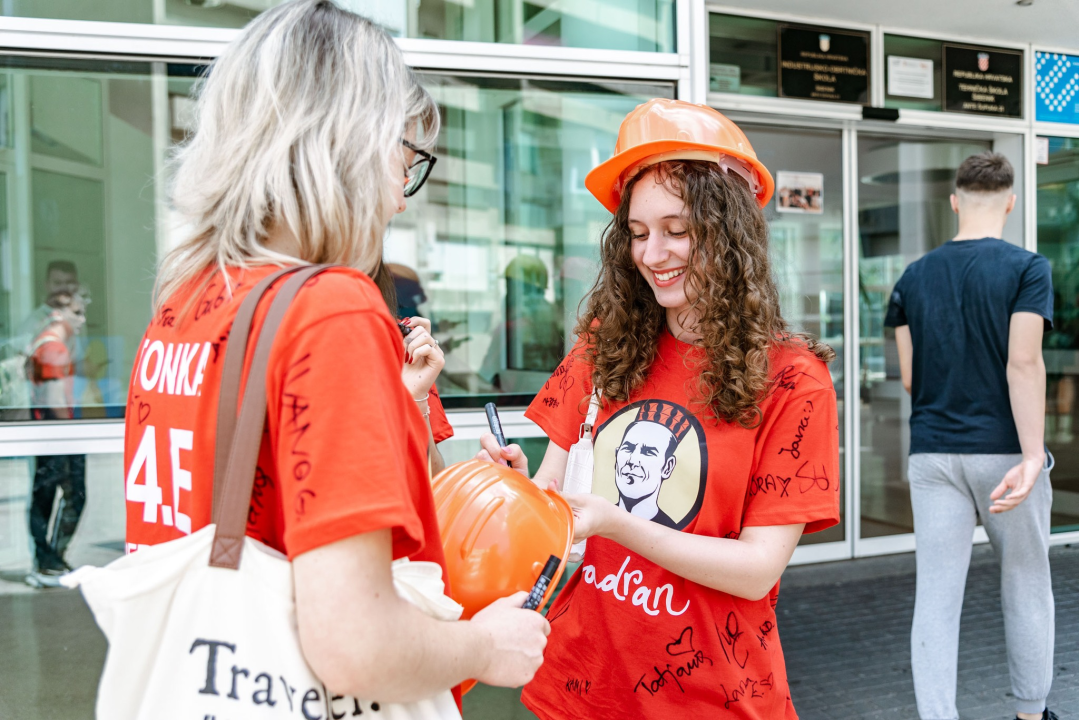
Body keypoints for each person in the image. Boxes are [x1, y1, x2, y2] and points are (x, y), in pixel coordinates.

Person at [124, 0, 547, 707]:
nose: (400, 199)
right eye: (403, 157)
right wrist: (485, 644)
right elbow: (355, 647)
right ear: (347, 143)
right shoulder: (333, 307)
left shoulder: (186, 300)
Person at [477, 99, 841, 719]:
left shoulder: (793, 379)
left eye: (678, 230)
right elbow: (555, 500)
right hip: (577, 687)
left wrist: (616, 523)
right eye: (639, 234)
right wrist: (522, 493)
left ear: (729, 234)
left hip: (710, 699)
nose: (653, 254)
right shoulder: (603, 344)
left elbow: (757, 570)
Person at [885, 152, 1058, 720]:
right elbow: (1024, 364)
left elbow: (911, 378)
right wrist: (1034, 455)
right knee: (1027, 584)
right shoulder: (1028, 269)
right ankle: (1031, 716)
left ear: (955, 202)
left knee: (935, 597)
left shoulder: (912, 277)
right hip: (1007, 453)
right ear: (1010, 202)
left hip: (933, 454)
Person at [26, 289, 88, 588]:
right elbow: (54, 400)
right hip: (58, 435)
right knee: (70, 496)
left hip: (48, 435)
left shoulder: (48, 344)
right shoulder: (54, 349)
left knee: (47, 497)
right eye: (77, 313)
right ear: (58, 314)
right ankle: (49, 559)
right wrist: (72, 434)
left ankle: (49, 559)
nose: (82, 319)